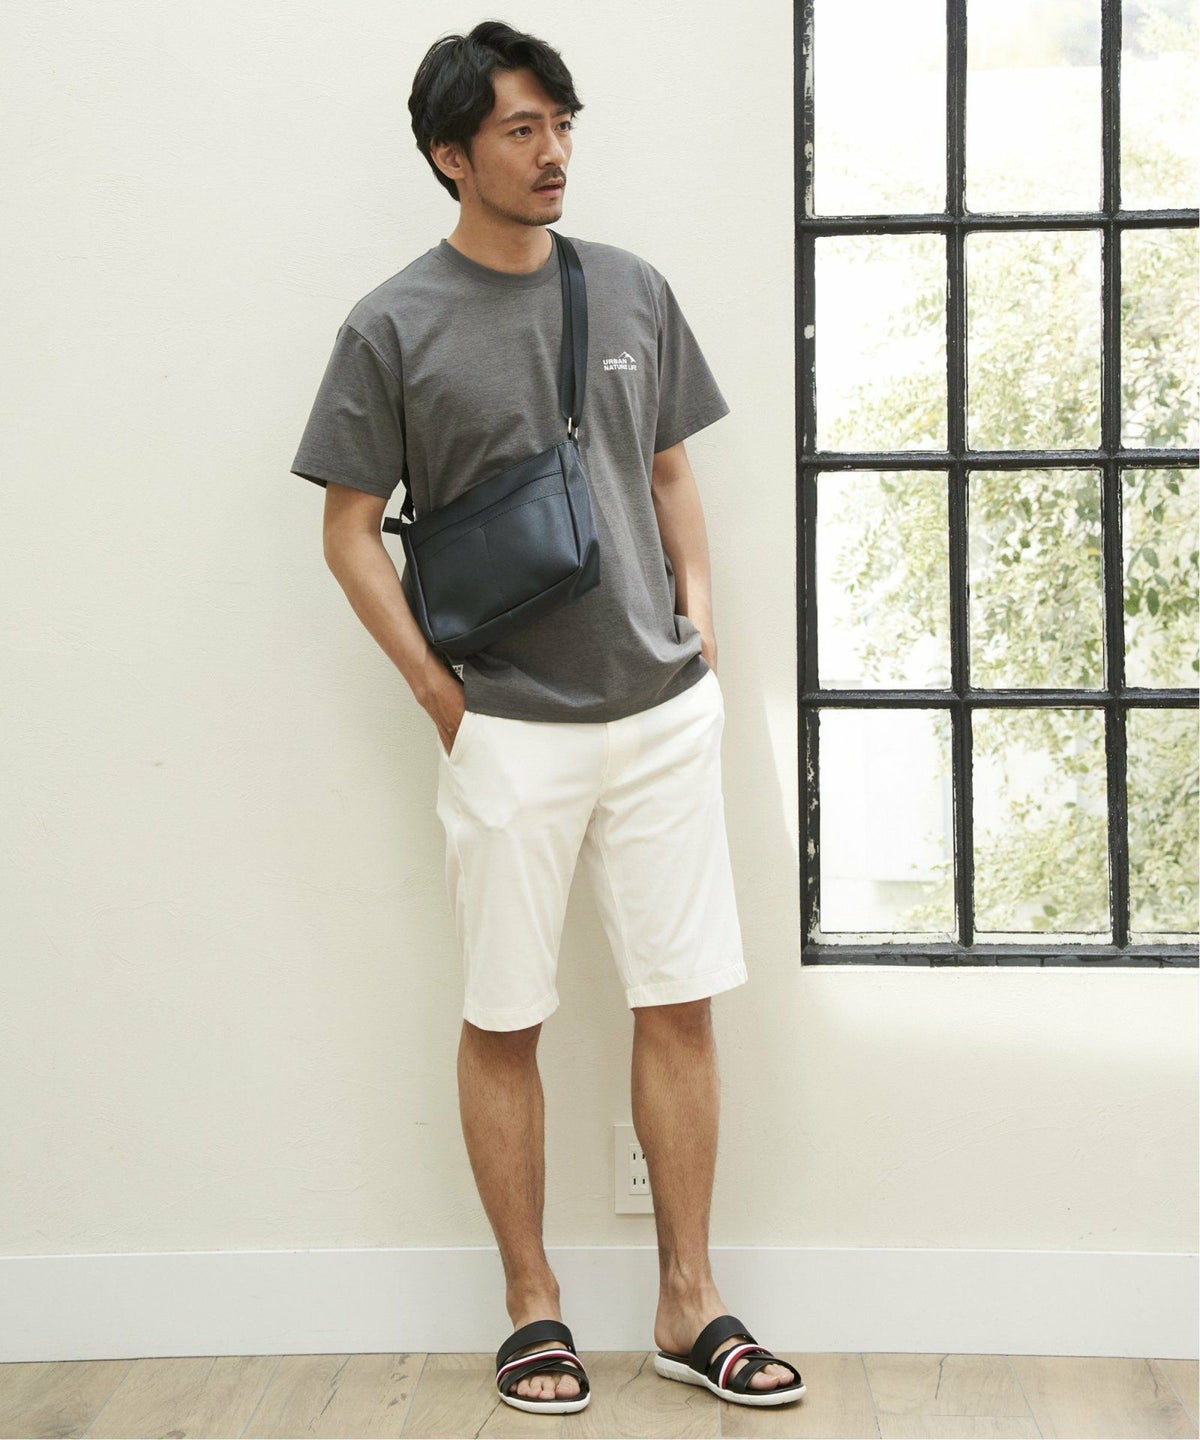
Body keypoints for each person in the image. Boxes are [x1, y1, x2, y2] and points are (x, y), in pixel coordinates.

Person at [289, 18, 804, 1417]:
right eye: (520, 130)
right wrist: (440, 697)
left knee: (679, 1002)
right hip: (507, 726)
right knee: (504, 1012)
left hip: (661, 714)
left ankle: (690, 1303)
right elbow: (347, 530)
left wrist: (701, 628)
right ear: (450, 155)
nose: (553, 151)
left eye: (561, 124)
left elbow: (671, 472)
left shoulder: (630, 289)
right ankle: (533, 1309)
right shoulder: (392, 324)